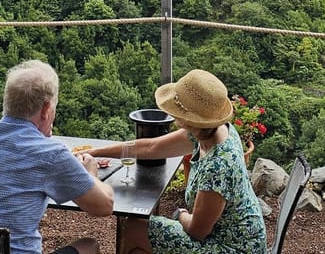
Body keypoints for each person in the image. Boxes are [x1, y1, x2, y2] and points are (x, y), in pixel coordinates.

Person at [83, 69, 266, 253]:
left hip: (234, 247)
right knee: (135, 231)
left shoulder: (218, 165)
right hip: (230, 235)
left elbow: (197, 231)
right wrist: (95, 152)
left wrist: (180, 214)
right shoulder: (211, 131)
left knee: (134, 229)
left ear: (187, 120)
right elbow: (150, 148)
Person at [0, 60, 115, 254]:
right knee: (89, 246)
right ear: (46, 109)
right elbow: (103, 206)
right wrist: (90, 172)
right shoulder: (50, 154)